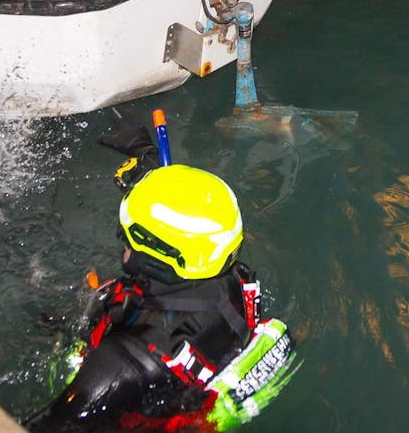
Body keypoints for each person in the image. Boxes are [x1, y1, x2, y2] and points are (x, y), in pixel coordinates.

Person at [30, 163, 297, 432]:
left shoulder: (120, 363)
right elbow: (189, 208)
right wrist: (146, 160)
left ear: (158, 255)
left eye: (127, 234)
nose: (121, 238)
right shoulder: (234, 280)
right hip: (188, 372)